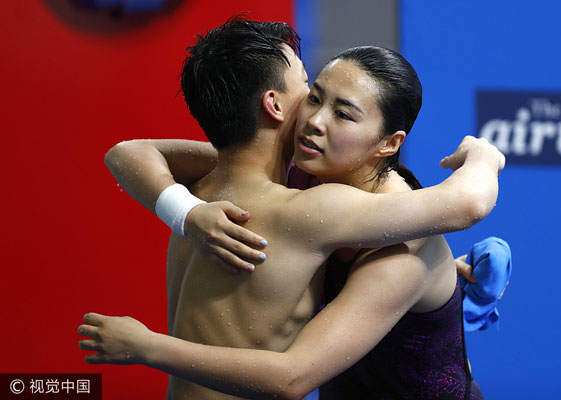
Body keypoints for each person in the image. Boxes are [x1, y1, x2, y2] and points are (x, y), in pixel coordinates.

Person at [79, 17, 503, 400]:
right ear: (275, 104)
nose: (315, 119)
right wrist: (184, 213)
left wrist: (485, 154)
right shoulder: (287, 181)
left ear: (390, 143)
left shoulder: (395, 237)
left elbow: (468, 203)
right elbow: (126, 153)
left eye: (343, 113)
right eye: (314, 94)